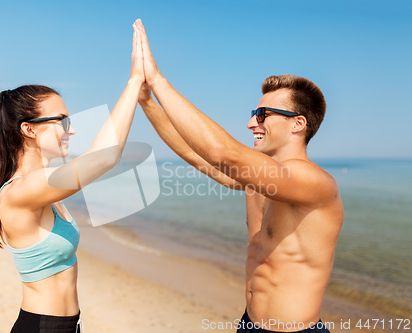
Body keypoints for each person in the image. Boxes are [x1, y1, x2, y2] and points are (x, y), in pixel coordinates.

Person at [134, 19, 343, 333]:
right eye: (252, 114)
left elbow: (223, 153)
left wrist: (159, 81)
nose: (251, 124)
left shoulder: (313, 184)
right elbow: (197, 154)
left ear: (297, 124)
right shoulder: (256, 178)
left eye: (262, 115)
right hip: (249, 324)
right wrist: (146, 102)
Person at [0, 23, 145, 333]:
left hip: (68, 325)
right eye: (63, 121)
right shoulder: (21, 191)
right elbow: (105, 157)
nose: (73, 129)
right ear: (29, 129)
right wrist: (134, 81)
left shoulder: (43, 186)